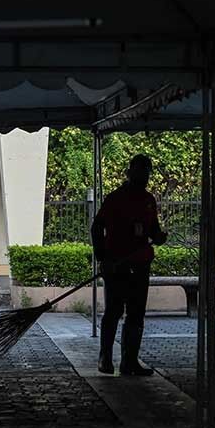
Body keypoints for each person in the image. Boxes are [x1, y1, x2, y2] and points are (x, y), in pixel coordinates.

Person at [91, 154, 168, 376]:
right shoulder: (115, 199)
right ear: (129, 172)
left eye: (146, 172)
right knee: (114, 311)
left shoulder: (148, 200)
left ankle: (129, 361)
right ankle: (105, 356)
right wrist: (102, 258)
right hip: (116, 265)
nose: (143, 176)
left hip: (140, 264)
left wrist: (159, 236)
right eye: (139, 171)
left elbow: (153, 229)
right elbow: (97, 228)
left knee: (136, 314)